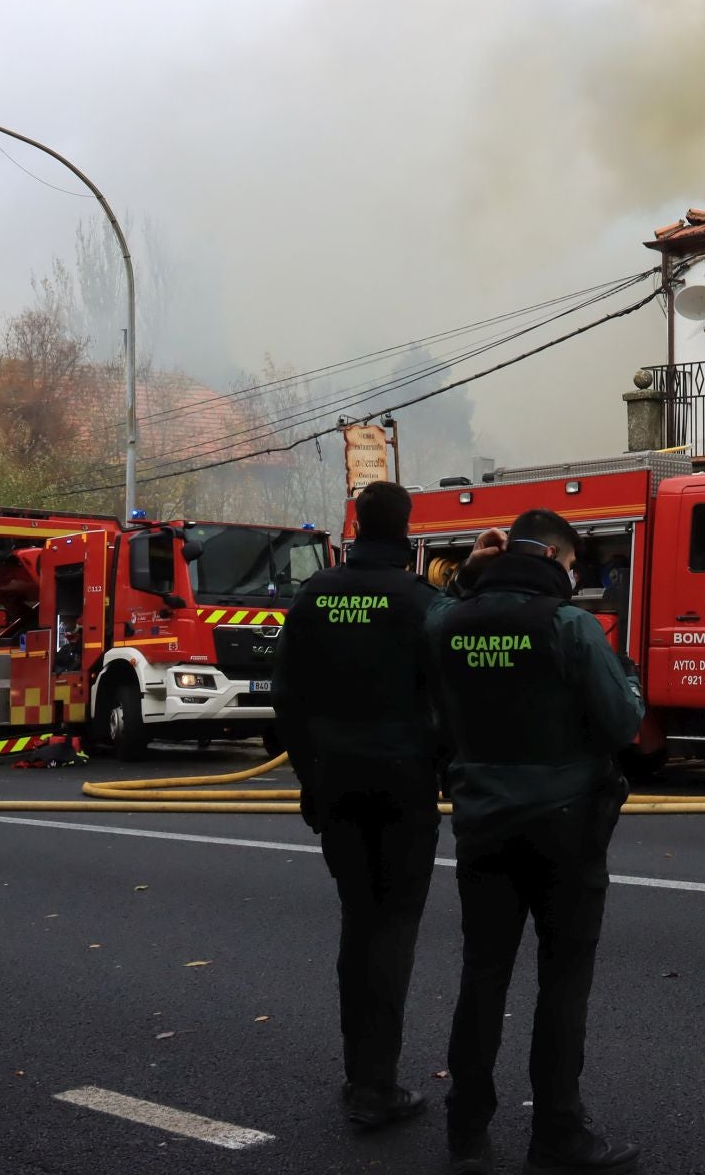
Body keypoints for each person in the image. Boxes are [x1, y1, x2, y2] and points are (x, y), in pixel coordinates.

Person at [430, 510, 645, 1175]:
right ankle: (557, 1132)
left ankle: (466, 1130)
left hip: (481, 825)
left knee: (483, 973)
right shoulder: (570, 625)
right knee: (562, 982)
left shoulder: (449, 622)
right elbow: (622, 722)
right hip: (565, 827)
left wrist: (470, 575)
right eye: (572, 566)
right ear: (558, 558)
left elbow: (434, 701)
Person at [271, 480, 442, 1129]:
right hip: (403, 785)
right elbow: (445, 696)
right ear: (405, 530)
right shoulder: (420, 601)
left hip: (335, 780)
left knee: (357, 921)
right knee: (394, 927)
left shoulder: (315, 597)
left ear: (356, 527)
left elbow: (287, 696)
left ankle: (356, 1074)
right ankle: (378, 1086)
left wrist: (308, 776)